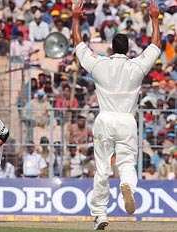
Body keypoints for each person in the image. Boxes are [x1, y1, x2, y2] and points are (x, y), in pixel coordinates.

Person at [73, 0, 161, 230]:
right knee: (127, 163)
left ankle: (100, 213)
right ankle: (127, 186)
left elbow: (79, 47)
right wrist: (154, 18)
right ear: (129, 50)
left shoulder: (100, 65)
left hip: (105, 119)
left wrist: (75, 19)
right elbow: (155, 46)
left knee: (102, 167)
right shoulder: (137, 66)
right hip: (126, 121)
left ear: (112, 48)